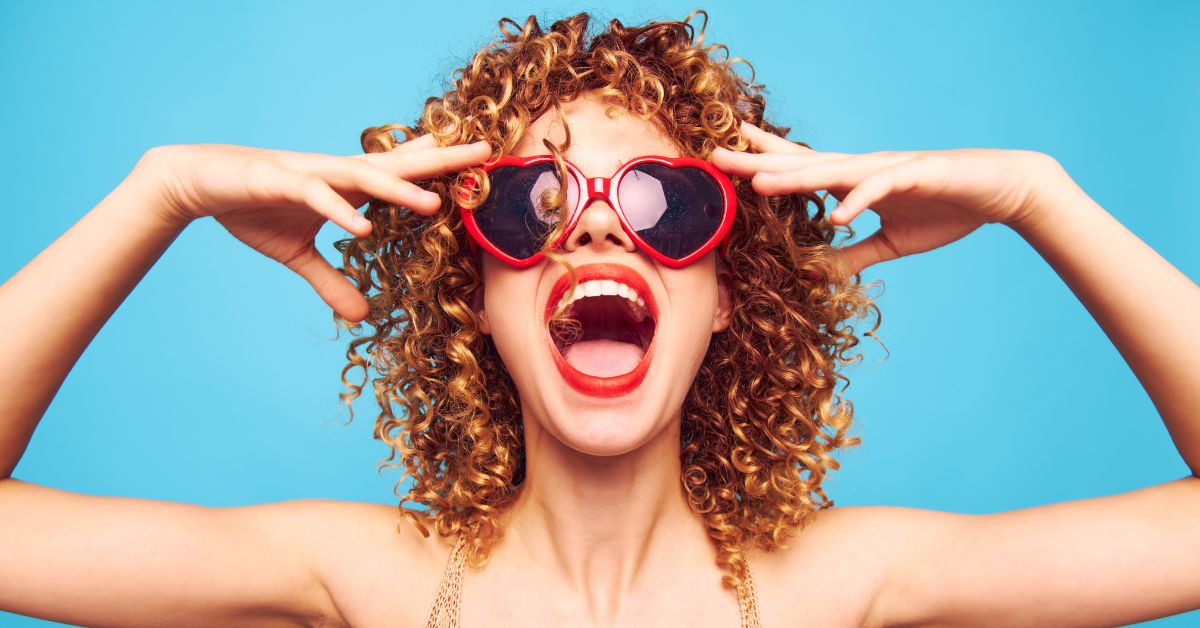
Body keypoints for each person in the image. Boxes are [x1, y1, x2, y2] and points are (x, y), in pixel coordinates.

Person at [1, 10, 1197, 628]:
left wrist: (1044, 196)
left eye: (667, 202)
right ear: (475, 293)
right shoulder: (360, 577)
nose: (597, 230)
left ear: (731, 293)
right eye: (530, 203)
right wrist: (157, 192)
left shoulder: (850, 583)